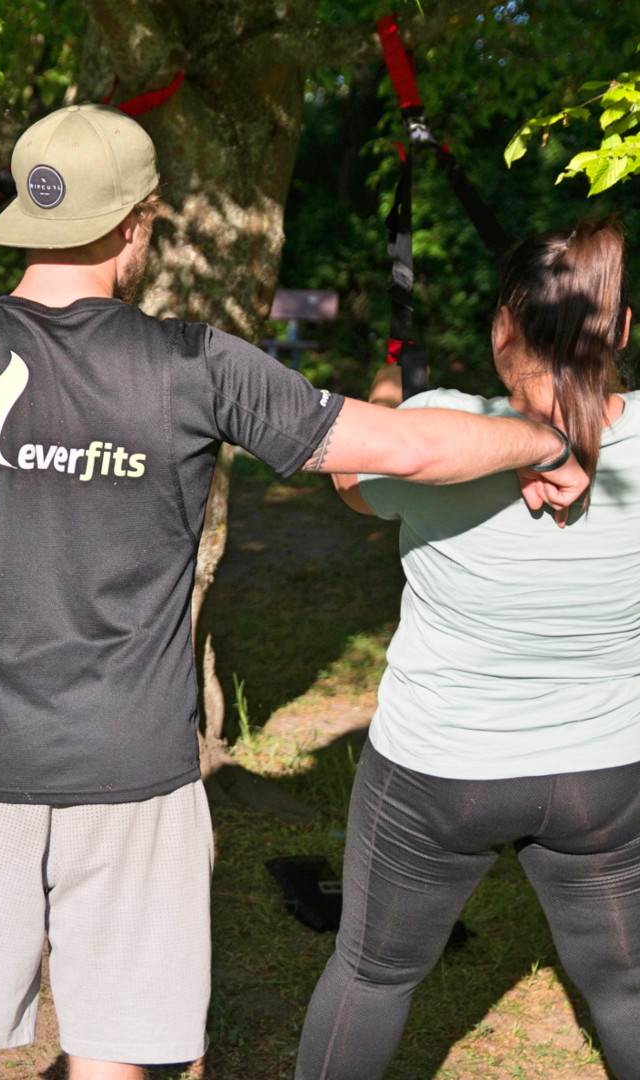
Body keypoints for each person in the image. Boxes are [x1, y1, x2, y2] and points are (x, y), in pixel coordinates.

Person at [0, 104, 589, 1080]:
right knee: (115, 1054)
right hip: (134, 771)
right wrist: (545, 437)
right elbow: (400, 444)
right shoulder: (193, 366)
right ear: (137, 222)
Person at [297, 218, 640, 1080]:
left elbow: (349, 479)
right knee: (630, 989)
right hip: (609, 773)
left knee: (372, 974)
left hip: (439, 775)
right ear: (624, 329)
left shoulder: (437, 427)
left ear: (501, 330)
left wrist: (389, 391)